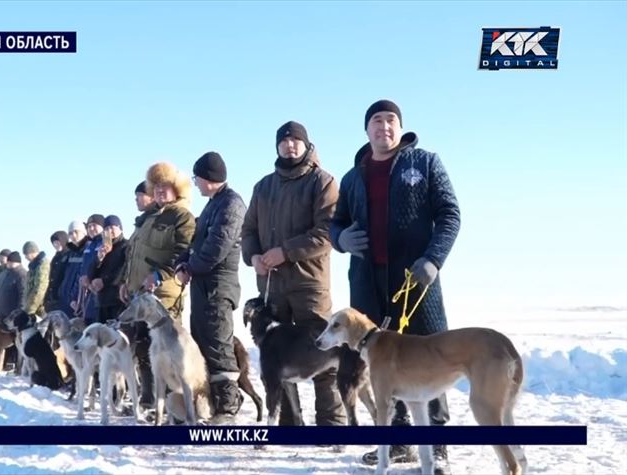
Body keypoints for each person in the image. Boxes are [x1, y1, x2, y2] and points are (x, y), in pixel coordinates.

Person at [330, 100, 461, 469]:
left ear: (400, 128)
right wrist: (341, 240)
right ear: (366, 129)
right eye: (376, 120)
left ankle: (436, 443)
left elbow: (450, 213)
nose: (384, 126)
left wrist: (434, 259)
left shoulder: (425, 162)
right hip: (368, 284)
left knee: (431, 354)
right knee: (382, 363)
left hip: (416, 280)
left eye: (391, 120)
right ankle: (399, 439)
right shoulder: (352, 177)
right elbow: (335, 223)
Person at [241, 121, 346, 426]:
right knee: (277, 357)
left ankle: (331, 424)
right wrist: (255, 256)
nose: (289, 145)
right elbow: (248, 231)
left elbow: (327, 231)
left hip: (309, 283)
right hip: (272, 285)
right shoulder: (263, 186)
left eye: (295, 140)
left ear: (306, 144)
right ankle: (289, 423)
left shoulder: (322, 182)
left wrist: (285, 251)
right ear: (277, 146)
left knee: (323, 352)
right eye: (284, 141)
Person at [175, 151, 247, 423]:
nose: (195, 183)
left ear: (209, 177)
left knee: (218, 344)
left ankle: (228, 408)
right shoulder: (212, 204)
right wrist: (182, 263)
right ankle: (213, 404)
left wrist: (191, 267)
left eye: (197, 178)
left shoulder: (231, 204)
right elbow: (195, 243)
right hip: (203, 287)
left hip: (219, 286)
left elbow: (217, 246)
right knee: (203, 342)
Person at [119, 162, 196, 408]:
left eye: (166, 187)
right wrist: (125, 282)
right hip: (140, 295)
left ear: (177, 189)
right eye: (157, 187)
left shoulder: (182, 216)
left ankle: (178, 407)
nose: (161, 191)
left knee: (170, 355)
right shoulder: (150, 218)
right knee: (144, 350)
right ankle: (149, 401)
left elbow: (184, 252)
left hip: (164, 295)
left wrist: (160, 274)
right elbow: (133, 255)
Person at [90, 215, 128, 323]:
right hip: (101, 300)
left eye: (112, 227)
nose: (109, 231)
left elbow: (124, 270)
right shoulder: (102, 248)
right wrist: (99, 258)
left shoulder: (126, 246)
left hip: (117, 299)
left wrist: (104, 281)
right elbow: (91, 274)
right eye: (106, 229)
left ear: (120, 228)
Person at [59, 221, 88, 317]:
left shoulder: (87, 249)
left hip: (77, 302)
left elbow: (81, 275)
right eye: (70, 233)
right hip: (66, 300)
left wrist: (74, 298)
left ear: (84, 232)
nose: (73, 235)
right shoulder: (71, 252)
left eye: (76, 232)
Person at [80, 214, 105, 324]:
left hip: (99, 290)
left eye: (94, 225)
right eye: (89, 226)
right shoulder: (88, 246)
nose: (91, 229)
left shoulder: (104, 243)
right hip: (87, 294)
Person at [0, 251, 28, 320]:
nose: (7, 264)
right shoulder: (8, 274)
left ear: (15, 262)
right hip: (3, 313)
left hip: (12, 315)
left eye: (9, 262)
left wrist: (19, 313)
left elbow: (23, 294)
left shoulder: (21, 275)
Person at [23, 241, 50, 317]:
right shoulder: (33, 267)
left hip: (40, 308)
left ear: (32, 252)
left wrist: (30, 309)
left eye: (26, 254)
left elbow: (40, 288)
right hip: (33, 306)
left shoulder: (42, 265)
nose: (25, 257)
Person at [45, 231, 69, 312]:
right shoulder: (56, 257)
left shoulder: (69, 255)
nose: (56, 245)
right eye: (54, 243)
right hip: (53, 297)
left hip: (63, 296)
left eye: (57, 242)